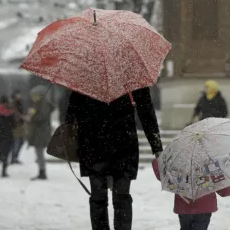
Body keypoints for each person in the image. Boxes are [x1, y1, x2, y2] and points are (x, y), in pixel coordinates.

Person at [65, 87, 162, 230]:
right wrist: (156, 145)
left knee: (99, 199)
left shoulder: (86, 74)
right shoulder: (130, 73)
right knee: (121, 198)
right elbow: (146, 110)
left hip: (94, 143)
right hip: (121, 143)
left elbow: (72, 112)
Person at [152, 158, 230, 230]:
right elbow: (225, 189)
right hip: (204, 207)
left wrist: (157, 160)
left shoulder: (179, 160)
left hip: (184, 205)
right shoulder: (211, 161)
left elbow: (162, 173)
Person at [26, 85, 54, 180]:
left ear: (40, 95)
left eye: (34, 95)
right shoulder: (39, 104)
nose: (32, 97)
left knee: (39, 152)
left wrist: (32, 117)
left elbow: (42, 118)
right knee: (38, 152)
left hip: (41, 132)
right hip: (40, 131)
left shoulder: (43, 105)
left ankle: (42, 173)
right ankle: (41, 172)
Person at [0, 96, 16, 178]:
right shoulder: (10, 112)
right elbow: (14, 125)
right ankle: (3, 171)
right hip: (8, 136)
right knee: (6, 154)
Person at [10, 90, 25, 164]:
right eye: (18, 94)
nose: (20, 95)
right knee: (17, 142)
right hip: (16, 126)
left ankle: (15, 157)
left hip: (19, 125)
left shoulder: (18, 102)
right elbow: (15, 114)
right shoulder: (14, 103)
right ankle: (13, 158)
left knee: (20, 142)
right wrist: (22, 117)